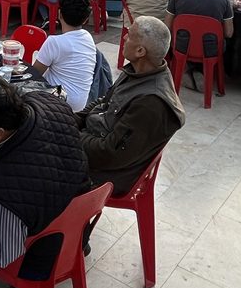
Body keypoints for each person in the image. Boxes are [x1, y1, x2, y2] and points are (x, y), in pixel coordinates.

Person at [0, 74, 89, 272]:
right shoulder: (48, 101)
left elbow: (0, 253)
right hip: (77, 214)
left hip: (42, 255)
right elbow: (39, 146)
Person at [77, 17, 185, 194]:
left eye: (130, 35)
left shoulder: (151, 102)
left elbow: (110, 153)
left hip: (106, 174)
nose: (125, 38)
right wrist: (71, 120)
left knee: (32, 160)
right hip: (93, 144)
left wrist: (72, 136)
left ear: (140, 51)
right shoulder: (138, 71)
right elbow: (105, 100)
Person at [165, 0, 234, 90]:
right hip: (211, 48)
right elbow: (229, 33)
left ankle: (187, 72)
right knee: (211, 41)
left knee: (180, 42)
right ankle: (200, 73)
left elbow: (167, 25)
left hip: (181, 46)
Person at [32, 0, 98, 111]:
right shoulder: (88, 37)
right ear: (85, 19)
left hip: (59, 102)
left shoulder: (54, 42)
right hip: (81, 103)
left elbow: (35, 74)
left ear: (59, 14)